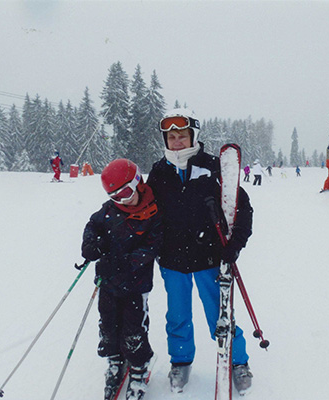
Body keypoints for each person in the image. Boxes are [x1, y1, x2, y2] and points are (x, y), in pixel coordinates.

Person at [147, 108, 254, 395]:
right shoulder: (159, 172)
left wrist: (235, 245)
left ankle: (236, 361)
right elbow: (145, 211)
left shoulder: (213, 167)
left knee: (219, 315)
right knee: (178, 315)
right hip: (171, 260)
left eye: (182, 136)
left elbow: (243, 210)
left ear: (193, 136)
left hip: (210, 258)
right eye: (171, 137)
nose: (177, 142)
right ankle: (181, 360)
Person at [81, 159, 162, 400]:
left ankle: (138, 368)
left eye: (126, 193)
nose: (124, 200)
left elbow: (152, 246)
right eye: (116, 197)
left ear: (137, 182)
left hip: (135, 286)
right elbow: (92, 225)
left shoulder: (152, 213)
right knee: (108, 326)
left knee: (133, 330)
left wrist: (125, 262)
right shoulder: (108, 210)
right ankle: (115, 361)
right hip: (107, 283)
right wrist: (90, 244)